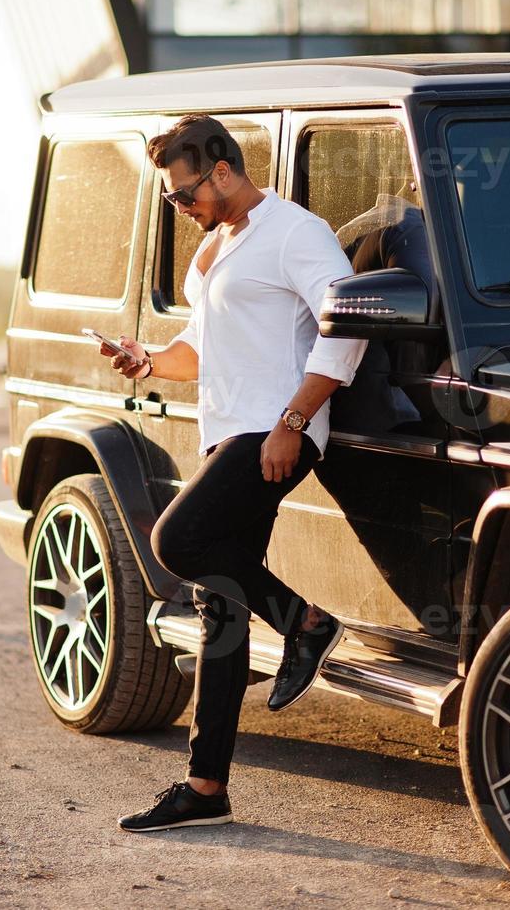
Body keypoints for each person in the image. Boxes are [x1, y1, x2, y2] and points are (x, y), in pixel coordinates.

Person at [102, 114, 366, 832]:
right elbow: (203, 344)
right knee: (219, 606)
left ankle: (305, 623)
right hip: (227, 433)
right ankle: (205, 788)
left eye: (184, 194)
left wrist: (292, 423)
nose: (179, 209)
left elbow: (347, 325)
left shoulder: (295, 232)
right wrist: (150, 360)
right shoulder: (215, 247)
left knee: (175, 542)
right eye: (169, 200)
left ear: (222, 171)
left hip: (275, 431)